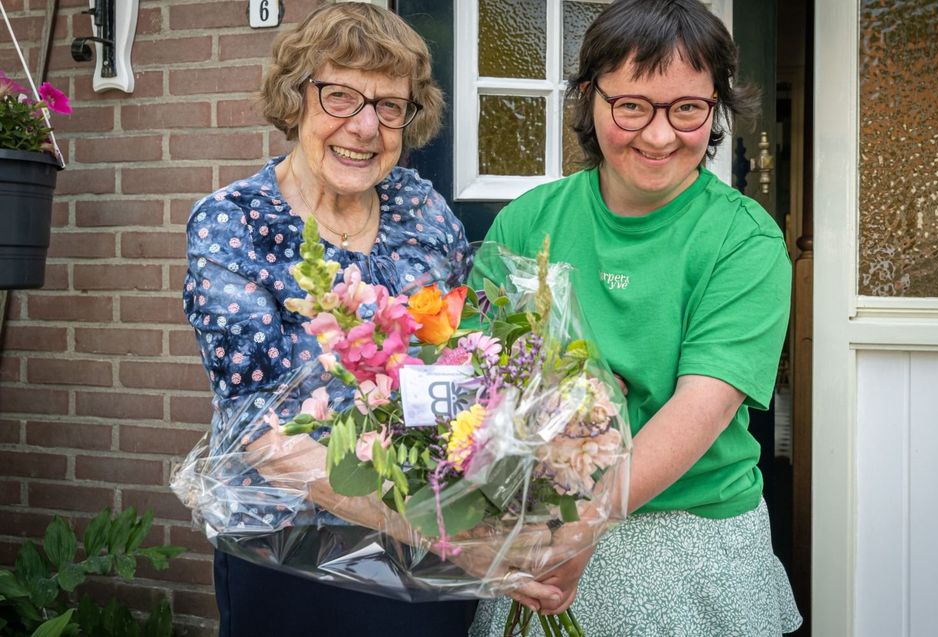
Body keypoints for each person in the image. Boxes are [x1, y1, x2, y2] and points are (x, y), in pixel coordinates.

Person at [467, 0, 803, 634]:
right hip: (542, 531)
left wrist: (585, 523)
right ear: (590, 99)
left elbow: (701, 408)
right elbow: (476, 381)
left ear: (717, 108)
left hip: (689, 538)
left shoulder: (742, 240)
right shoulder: (526, 221)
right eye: (633, 107)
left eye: (687, 109)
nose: (659, 135)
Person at [182, 4, 480, 635]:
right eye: (340, 96)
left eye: (389, 106)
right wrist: (443, 526)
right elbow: (262, 435)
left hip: (434, 548)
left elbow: (462, 360)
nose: (365, 127)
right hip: (293, 557)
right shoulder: (235, 222)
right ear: (295, 99)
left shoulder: (421, 209)